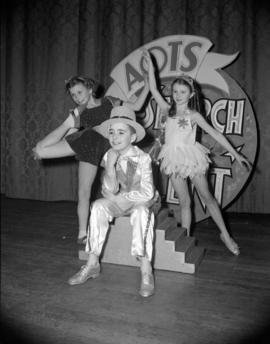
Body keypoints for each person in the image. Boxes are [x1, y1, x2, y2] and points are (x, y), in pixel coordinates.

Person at [143, 50, 251, 255]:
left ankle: (225, 235)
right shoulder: (167, 110)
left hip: (192, 158)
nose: (178, 95)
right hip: (173, 159)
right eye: (175, 91)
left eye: (182, 92)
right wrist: (152, 68)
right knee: (185, 202)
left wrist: (235, 154)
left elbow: (216, 134)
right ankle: (185, 241)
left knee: (207, 197)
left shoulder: (194, 115)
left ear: (191, 94)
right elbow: (153, 88)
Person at [33, 72, 149, 244]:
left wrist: (148, 81)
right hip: (87, 146)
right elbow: (70, 134)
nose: (76, 97)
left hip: (111, 149)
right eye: (73, 95)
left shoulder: (110, 101)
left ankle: (134, 222)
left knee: (124, 184)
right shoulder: (78, 112)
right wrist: (69, 124)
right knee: (82, 191)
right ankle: (82, 233)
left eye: (79, 92)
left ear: (89, 89)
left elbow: (137, 106)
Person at [68, 105, 157, 297]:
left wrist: (121, 198)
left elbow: (148, 193)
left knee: (142, 213)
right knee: (98, 206)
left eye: (121, 132)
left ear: (132, 138)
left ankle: (146, 270)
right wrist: (109, 167)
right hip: (119, 201)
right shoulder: (109, 155)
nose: (115, 137)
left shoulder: (142, 158)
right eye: (111, 132)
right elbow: (107, 191)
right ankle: (92, 264)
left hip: (140, 202)